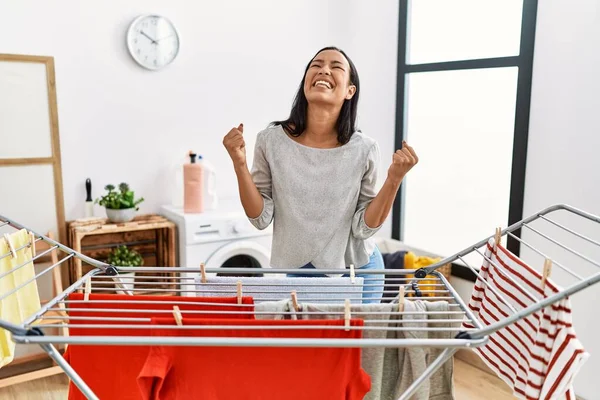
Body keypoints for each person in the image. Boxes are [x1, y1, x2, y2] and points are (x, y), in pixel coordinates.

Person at [223, 46, 418, 304]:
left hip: (357, 271)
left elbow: (363, 227)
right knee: (310, 343)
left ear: (350, 91)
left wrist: (394, 179)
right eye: (316, 65)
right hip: (299, 272)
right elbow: (261, 218)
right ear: (306, 82)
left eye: (336, 67)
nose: (323, 69)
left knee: (355, 345)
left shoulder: (365, 148)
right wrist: (239, 164)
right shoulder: (270, 141)